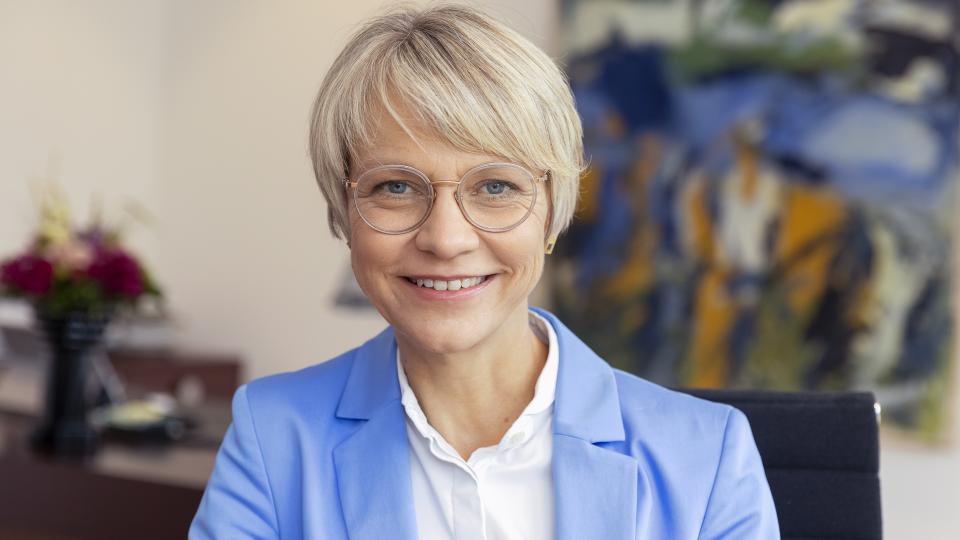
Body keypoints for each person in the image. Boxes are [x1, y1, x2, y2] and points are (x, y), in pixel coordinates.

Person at [189, 4, 779, 539]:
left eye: (496, 186)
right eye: (395, 186)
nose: (446, 239)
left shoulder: (708, 458)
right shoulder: (271, 437)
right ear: (344, 215)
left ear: (552, 212)